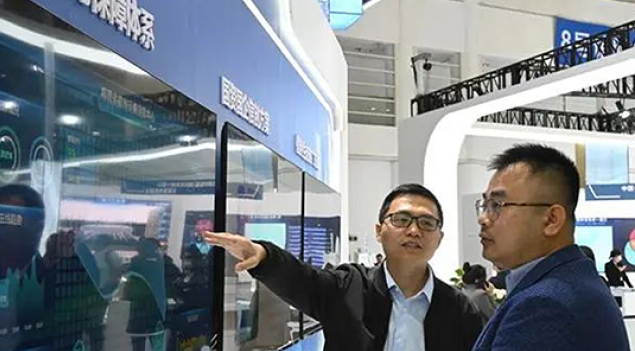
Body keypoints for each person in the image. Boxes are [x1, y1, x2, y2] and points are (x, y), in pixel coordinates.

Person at [205, 183, 483, 351]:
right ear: (379, 231)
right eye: (401, 220)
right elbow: (304, 280)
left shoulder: (459, 308)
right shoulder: (348, 287)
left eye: (426, 223)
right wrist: (265, 256)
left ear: (439, 238)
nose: (413, 231)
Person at [472, 144, 629, 351]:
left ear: (552, 220)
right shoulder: (571, 281)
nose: (483, 219)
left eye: (497, 205)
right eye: (485, 205)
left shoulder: (544, 305)